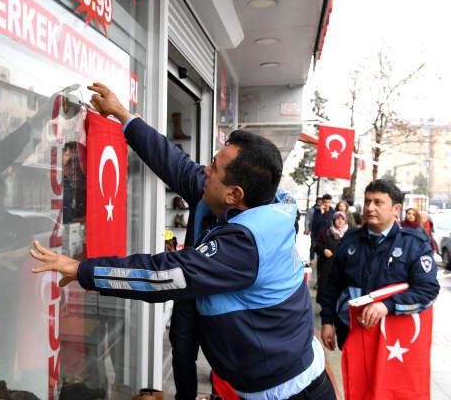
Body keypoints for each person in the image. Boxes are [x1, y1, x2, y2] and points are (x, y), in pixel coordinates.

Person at [30, 83, 336, 399]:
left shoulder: (247, 245)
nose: (205, 171)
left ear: (234, 194)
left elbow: (162, 275)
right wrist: (123, 115)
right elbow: (173, 161)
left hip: (292, 392)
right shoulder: (228, 199)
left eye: (214, 169)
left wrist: (82, 270)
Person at [320, 179, 440, 351]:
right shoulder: (350, 240)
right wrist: (327, 321)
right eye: (368, 201)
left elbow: (427, 290)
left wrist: (387, 305)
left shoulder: (414, 245)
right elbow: (333, 284)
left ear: (396, 209)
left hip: (392, 342)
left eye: (378, 202)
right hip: (351, 332)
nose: (369, 208)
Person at [314, 212, 348, 307]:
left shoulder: (349, 233)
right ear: (333, 220)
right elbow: (316, 245)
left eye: (342, 219)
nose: (340, 221)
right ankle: (325, 307)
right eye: (337, 219)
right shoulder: (326, 231)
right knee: (325, 286)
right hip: (327, 265)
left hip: (343, 266)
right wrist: (323, 250)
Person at [310, 194, 334, 261]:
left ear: (330, 202)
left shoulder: (333, 212)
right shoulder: (317, 212)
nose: (327, 204)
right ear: (322, 202)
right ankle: (312, 259)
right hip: (317, 236)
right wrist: (321, 213)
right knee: (316, 251)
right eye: (325, 202)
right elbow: (315, 224)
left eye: (328, 202)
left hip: (328, 237)